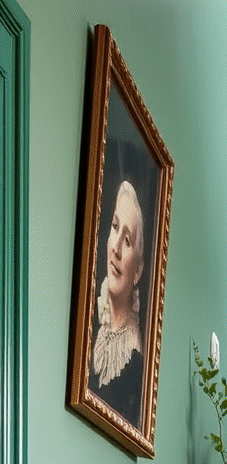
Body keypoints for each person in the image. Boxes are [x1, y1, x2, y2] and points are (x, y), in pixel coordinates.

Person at [89, 179, 145, 426]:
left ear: (138, 271)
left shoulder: (134, 357)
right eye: (114, 227)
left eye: (128, 241)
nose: (116, 250)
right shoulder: (88, 317)